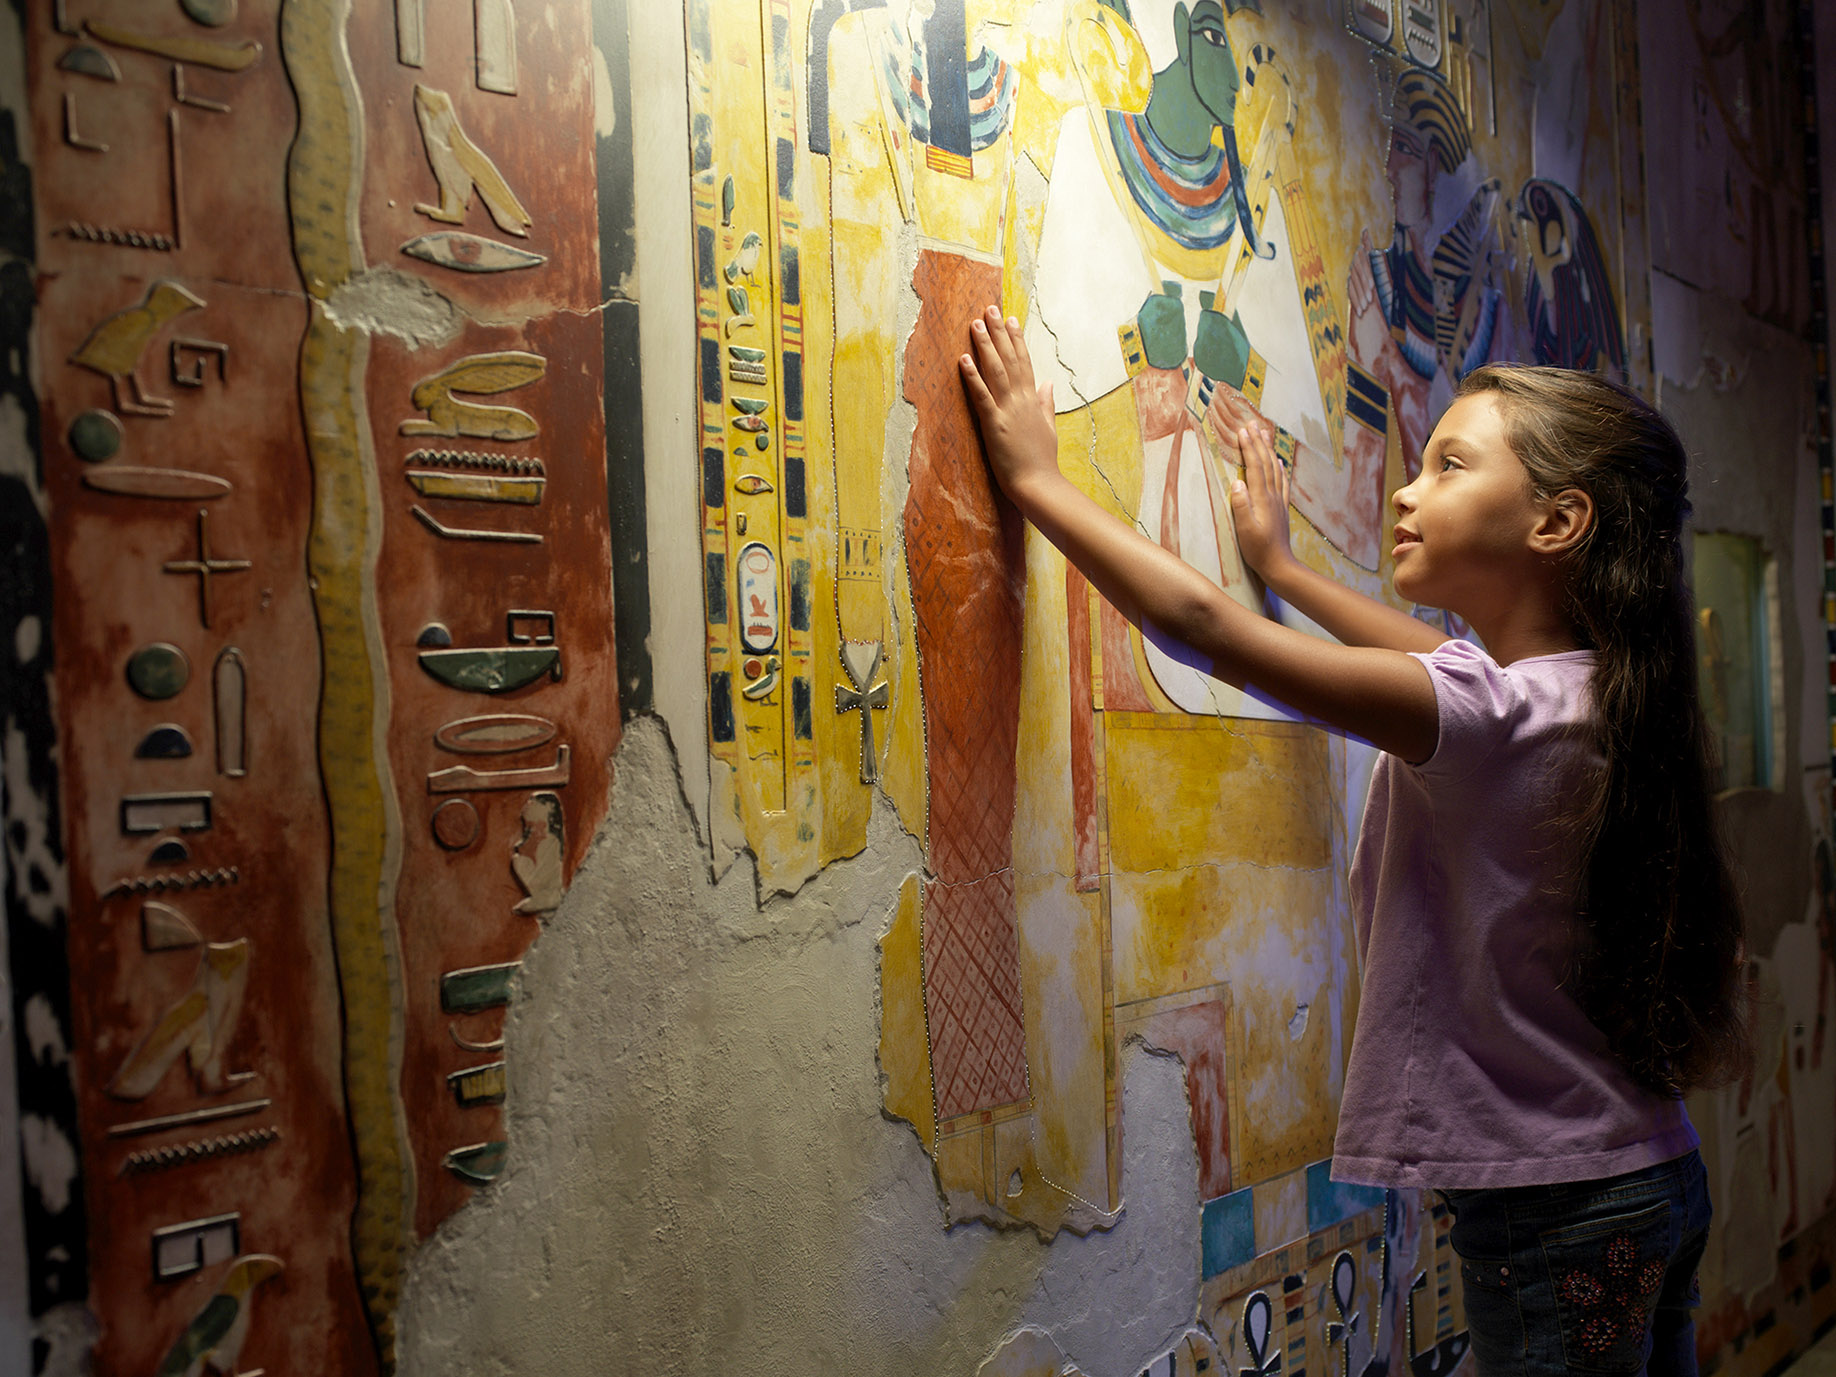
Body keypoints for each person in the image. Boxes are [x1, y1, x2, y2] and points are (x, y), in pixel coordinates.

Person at [959, 305, 1748, 1377]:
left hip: (1554, 1212)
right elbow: (1429, 664)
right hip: (1648, 1174)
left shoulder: (1484, 712)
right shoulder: (1598, 696)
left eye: (1451, 465)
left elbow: (1203, 628)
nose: (1407, 492)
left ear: (1558, 524)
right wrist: (1282, 571)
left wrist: (1039, 483)